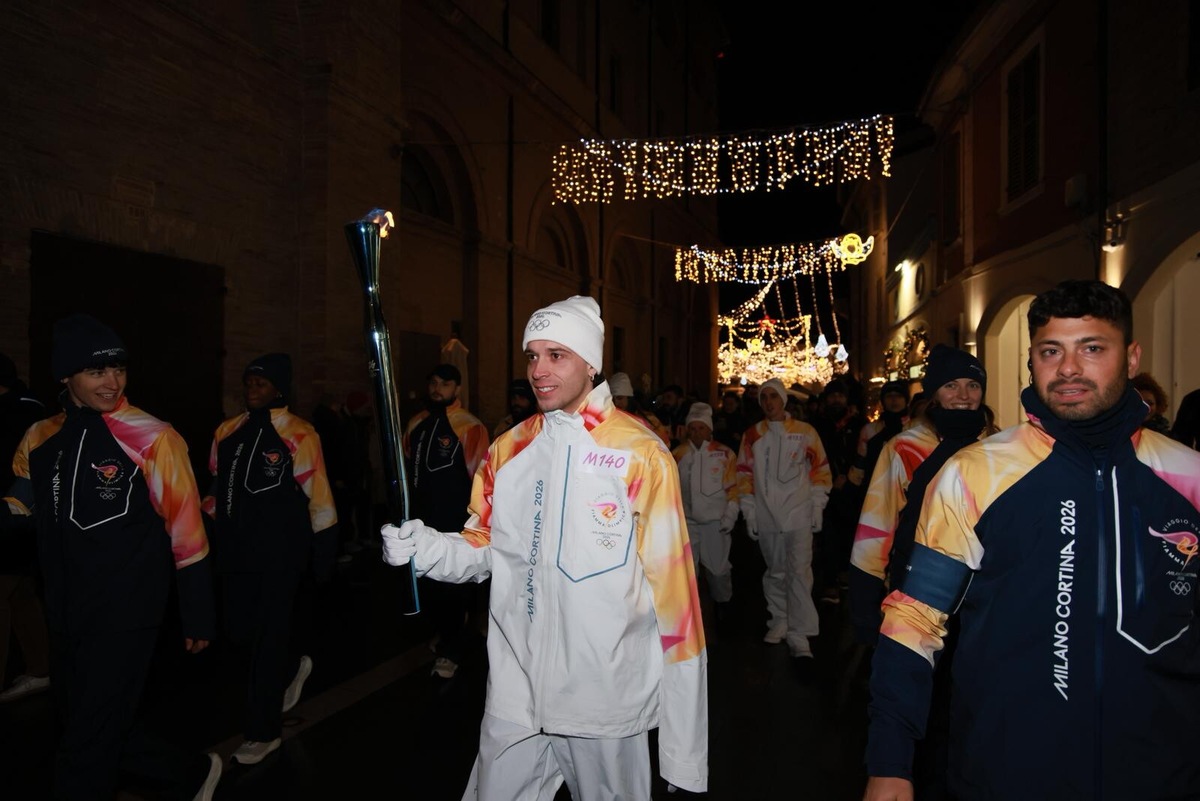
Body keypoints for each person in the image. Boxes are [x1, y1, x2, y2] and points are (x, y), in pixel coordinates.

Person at [863, 280, 1200, 801]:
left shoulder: (1187, 477)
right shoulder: (974, 473)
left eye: (1092, 348)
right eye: (1051, 351)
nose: (1068, 369)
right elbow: (914, 616)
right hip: (1005, 768)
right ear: (1030, 361)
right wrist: (890, 761)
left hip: (1161, 771)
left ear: (1131, 358)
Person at [382, 295, 707, 799]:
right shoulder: (508, 447)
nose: (539, 369)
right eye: (533, 355)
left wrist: (684, 752)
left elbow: (678, 606)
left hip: (601, 697)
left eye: (557, 355)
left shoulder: (640, 453)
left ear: (591, 363)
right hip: (516, 687)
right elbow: (484, 544)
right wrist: (426, 549)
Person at [2, 314, 221, 800]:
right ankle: (189, 773)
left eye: (119, 369)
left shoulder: (153, 436)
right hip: (62, 608)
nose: (112, 381)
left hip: (127, 611)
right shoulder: (40, 436)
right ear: (66, 376)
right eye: (96, 371)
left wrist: (198, 612)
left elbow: (186, 529)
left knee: (83, 748)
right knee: (90, 723)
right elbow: (19, 502)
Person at [850, 346, 994, 801]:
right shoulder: (905, 447)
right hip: (919, 597)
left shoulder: (1002, 446)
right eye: (951, 385)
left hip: (985, 599)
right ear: (933, 394)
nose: (964, 394)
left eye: (972, 385)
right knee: (924, 708)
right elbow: (878, 522)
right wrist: (865, 598)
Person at [202, 353, 337, 765]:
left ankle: (263, 731)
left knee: (266, 641)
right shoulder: (226, 432)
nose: (253, 389)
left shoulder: (299, 433)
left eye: (261, 383)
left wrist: (323, 554)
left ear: (279, 388)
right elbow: (215, 487)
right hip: (235, 553)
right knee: (240, 635)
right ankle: (293, 664)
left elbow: (319, 497)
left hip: (280, 555)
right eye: (249, 382)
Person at [737, 378, 831, 674]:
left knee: (800, 571)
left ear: (783, 401)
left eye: (773, 397)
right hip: (767, 515)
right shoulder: (752, 435)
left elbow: (820, 469)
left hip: (799, 512)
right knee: (776, 570)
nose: (768, 403)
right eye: (764, 398)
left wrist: (818, 504)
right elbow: (743, 473)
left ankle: (799, 632)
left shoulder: (805, 433)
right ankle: (779, 618)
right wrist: (749, 510)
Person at [402, 363, 490, 681]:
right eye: (433, 383)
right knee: (427, 585)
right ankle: (444, 632)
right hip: (421, 520)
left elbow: (481, 480)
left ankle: (452, 650)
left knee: (453, 588)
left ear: (457, 389)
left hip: (454, 521)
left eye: (445, 384)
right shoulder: (417, 423)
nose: (437, 389)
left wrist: (476, 523)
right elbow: (408, 469)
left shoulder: (469, 427)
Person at [0, 352, 51, 703]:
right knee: (20, 594)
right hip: (22, 522)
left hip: (15, 519)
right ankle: (40, 668)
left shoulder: (22, 414)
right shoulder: (29, 407)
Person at [672, 402, 740, 614]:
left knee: (718, 570)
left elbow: (734, 488)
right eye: (692, 428)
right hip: (687, 525)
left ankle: (723, 607)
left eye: (701, 428)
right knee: (687, 571)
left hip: (715, 524)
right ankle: (689, 614)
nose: (697, 433)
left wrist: (730, 515)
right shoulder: (677, 455)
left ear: (710, 429)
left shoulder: (725, 454)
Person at [812, 378, 867, 605]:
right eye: (833, 396)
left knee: (849, 533)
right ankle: (830, 581)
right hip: (825, 488)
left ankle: (846, 572)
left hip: (851, 488)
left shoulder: (858, 424)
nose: (836, 400)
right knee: (828, 536)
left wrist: (849, 476)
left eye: (840, 396)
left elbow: (864, 454)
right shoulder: (816, 424)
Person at [610, 371, 671, 444]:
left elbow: (665, 443)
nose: (616, 403)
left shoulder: (648, 419)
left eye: (620, 398)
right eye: (612, 399)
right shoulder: (609, 420)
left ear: (629, 398)